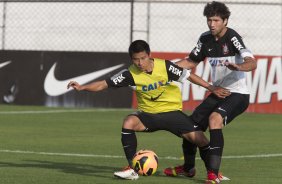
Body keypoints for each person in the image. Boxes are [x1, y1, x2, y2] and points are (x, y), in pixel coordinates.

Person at [67, 40, 230, 180]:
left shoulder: (165, 66)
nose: (140, 63)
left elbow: (188, 76)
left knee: (201, 140)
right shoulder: (129, 74)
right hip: (148, 115)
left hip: (172, 113)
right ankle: (132, 168)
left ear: (149, 55)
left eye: (143, 58)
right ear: (131, 59)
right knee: (129, 121)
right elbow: (104, 84)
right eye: (136, 59)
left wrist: (210, 87)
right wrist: (82, 87)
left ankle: (213, 172)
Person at [163, 1, 257, 183]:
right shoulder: (205, 38)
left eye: (215, 20)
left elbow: (252, 63)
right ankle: (188, 168)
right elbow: (190, 62)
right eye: (209, 20)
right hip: (218, 92)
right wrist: (165, 68)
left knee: (215, 120)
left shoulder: (233, 38)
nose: (211, 24)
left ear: (225, 21)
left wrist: (238, 66)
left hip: (237, 94)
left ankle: (213, 174)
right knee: (190, 127)